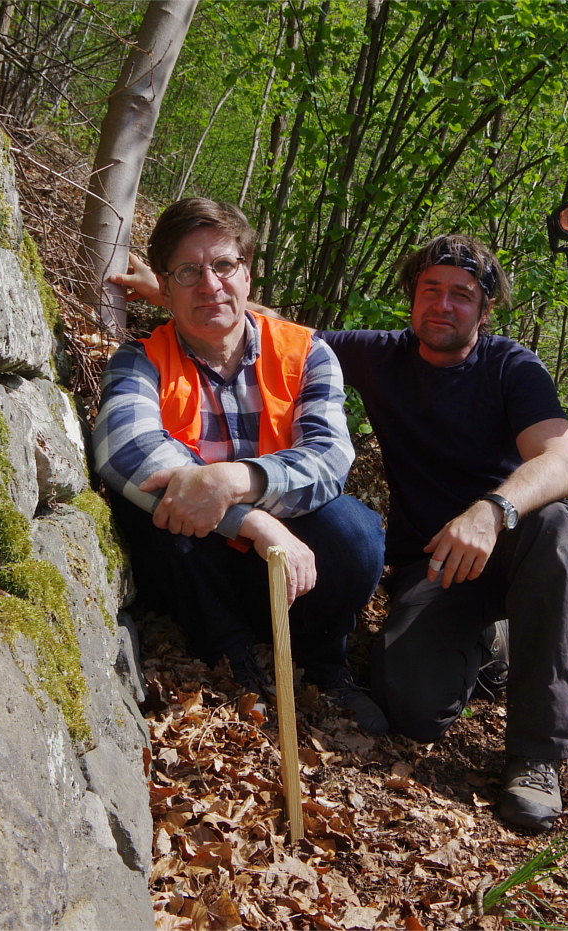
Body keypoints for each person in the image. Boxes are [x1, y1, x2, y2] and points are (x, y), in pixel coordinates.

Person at [113, 234, 568, 832]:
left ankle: (537, 753)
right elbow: (272, 331)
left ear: (485, 308)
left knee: (553, 522)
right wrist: (176, 290)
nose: (443, 305)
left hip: (509, 541)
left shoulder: (511, 367)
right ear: (412, 300)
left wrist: (490, 511)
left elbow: (560, 464)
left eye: (462, 295)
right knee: (413, 712)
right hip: (433, 565)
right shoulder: (382, 354)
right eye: (431, 290)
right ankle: (484, 640)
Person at [93, 198, 387, 735]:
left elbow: (329, 458)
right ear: (167, 283)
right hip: (198, 561)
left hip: (289, 572)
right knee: (147, 506)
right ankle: (229, 657)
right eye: (188, 271)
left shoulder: (308, 353)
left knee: (356, 531)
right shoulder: (140, 360)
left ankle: (323, 665)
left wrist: (238, 479)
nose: (209, 285)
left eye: (223, 265)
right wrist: (252, 521)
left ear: (246, 274)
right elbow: (123, 452)